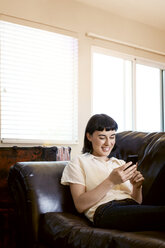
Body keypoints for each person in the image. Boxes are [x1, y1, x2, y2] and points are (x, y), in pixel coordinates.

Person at [61, 114, 165, 231]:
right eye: (102, 137)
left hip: (130, 206)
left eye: (112, 137)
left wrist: (137, 187)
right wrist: (111, 181)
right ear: (89, 136)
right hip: (106, 210)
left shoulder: (120, 163)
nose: (108, 143)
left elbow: (137, 203)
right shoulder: (78, 162)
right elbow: (80, 205)